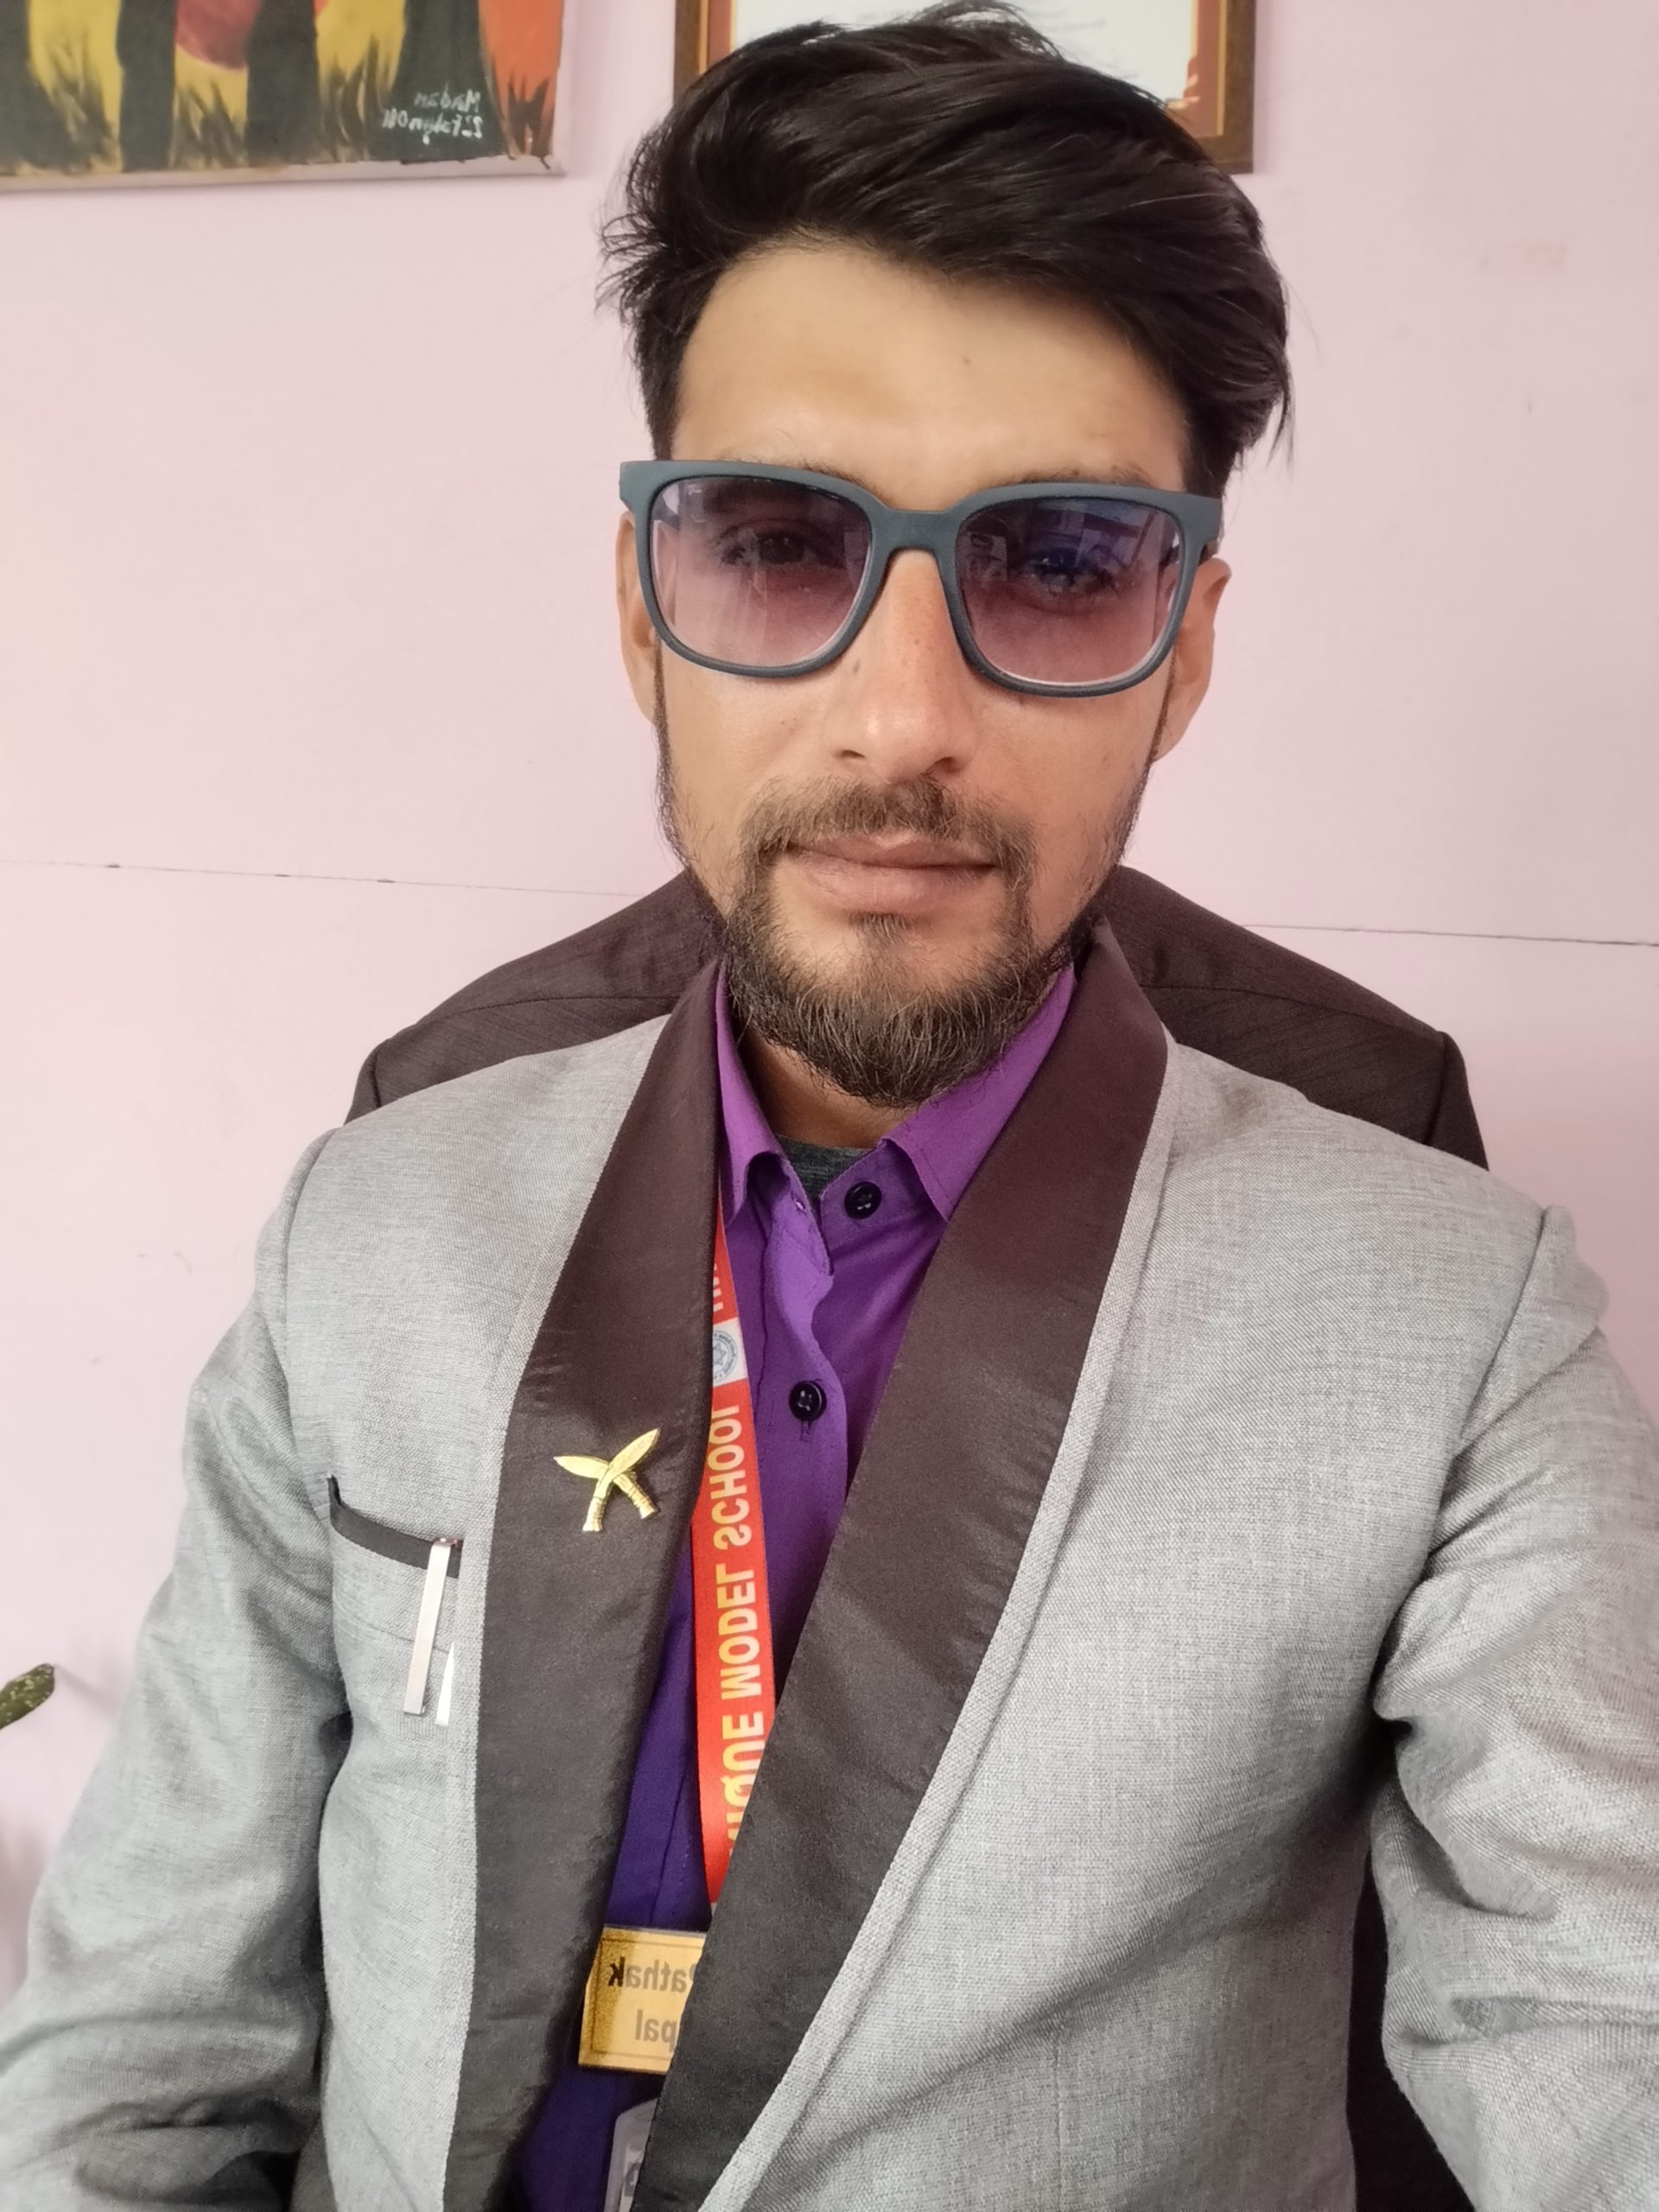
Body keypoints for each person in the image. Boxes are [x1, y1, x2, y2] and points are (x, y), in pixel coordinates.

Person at [3, 10, 1656, 2210]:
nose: (901, 718)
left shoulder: (1458, 1317)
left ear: (1183, 646)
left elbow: (1592, 2010)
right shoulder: (374, 1217)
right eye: (780, 540)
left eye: (1058, 560)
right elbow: (137, 2047)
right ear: (642, 609)